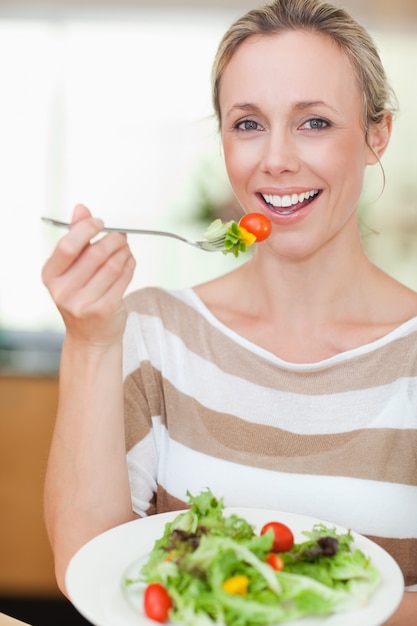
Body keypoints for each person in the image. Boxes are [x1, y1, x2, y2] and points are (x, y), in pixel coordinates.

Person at [42, 0, 417, 622]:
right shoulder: (149, 332)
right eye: (248, 124)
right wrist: (90, 343)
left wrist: (290, 612)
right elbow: (87, 565)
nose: (275, 159)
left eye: (314, 122)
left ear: (377, 134)